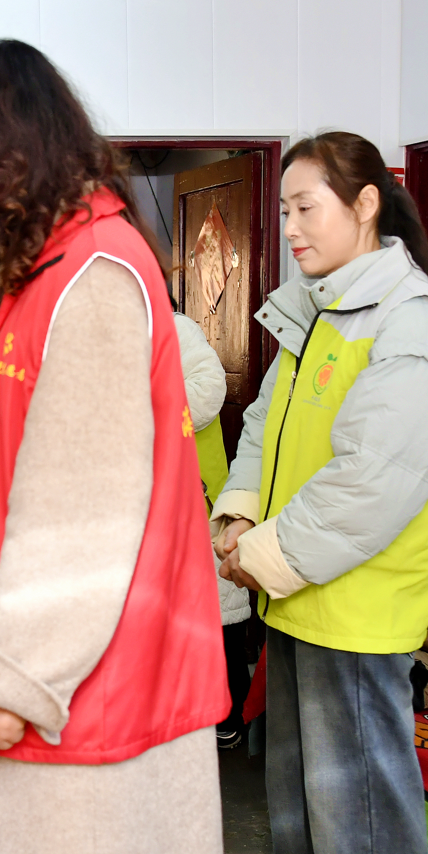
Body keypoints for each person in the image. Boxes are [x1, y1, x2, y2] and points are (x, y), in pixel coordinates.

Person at [0, 40, 229, 854]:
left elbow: (84, 512)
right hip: (51, 672)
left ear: (3, 150)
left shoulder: (92, 277)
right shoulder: (54, 267)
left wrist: (15, 678)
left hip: (69, 688)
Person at [213, 131, 428, 854]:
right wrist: (241, 512)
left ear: (364, 205)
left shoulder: (412, 323)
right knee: (299, 808)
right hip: (300, 595)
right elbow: (265, 423)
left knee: (358, 819)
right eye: (284, 210)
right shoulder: (321, 311)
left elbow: (370, 482)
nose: (290, 228)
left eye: (306, 208)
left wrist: (264, 554)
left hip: (357, 609)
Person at [175, 312, 254, 749]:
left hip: (196, 500)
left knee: (218, 615)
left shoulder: (176, 330)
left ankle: (228, 713)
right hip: (147, 506)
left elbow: (209, 391)